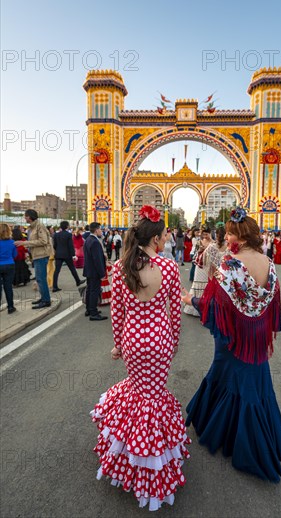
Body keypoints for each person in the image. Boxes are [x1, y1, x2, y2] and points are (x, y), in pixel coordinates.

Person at [90, 205, 190, 510]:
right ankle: (151, 469)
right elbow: (175, 313)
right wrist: (172, 343)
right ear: (157, 239)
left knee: (138, 393)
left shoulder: (121, 268)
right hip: (159, 340)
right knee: (153, 396)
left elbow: (116, 315)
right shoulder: (170, 268)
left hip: (133, 341)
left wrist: (119, 345)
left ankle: (128, 459)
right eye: (164, 235)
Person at [181, 207, 281, 482]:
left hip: (232, 335)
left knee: (223, 373)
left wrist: (189, 300)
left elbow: (214, 304)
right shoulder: (269, 263)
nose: (226, 237)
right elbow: (273, 300)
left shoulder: (230, 264)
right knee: (254, 379)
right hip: (258, 333)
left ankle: (228, 432)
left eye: (229, 233)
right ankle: (259, 436)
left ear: (239, 236)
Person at [14, 210, 54, 309]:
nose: (24, 218)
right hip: (36, 255)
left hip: (41, 255)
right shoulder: (32, 227)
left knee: (41, 279)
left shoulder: (39, 226)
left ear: (30, 217)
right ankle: (43, 297)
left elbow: (43, 241)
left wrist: (25, 243)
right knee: (39, 279)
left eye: (25, 216)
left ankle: (46, 300)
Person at [183, 227, 213, 317]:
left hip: (208, 266)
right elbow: (198, 252)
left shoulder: (213, 242)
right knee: (197, 285)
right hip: (200, 266)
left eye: (207, 233)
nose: (205, 235)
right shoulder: (199, 241)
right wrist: (203, 247)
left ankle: (204, 308)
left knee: (205, 286)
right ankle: (194, 307)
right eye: (203, 233)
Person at [83, 222, 107, 320]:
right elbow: (97, 259)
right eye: (100, 229)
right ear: (96, 230)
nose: (101, 231)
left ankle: (89, 309)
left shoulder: (88, 239)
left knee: (89, 290)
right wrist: (102, 273)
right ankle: (93, 312)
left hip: (89, 269)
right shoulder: (95, 242)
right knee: (94, 291)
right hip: (94, 271)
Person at [52, 221, 85, 292]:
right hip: (67, 255)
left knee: (57, 271)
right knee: (72, 268)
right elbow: (70, 246)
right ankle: (78, 281)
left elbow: (54, 245)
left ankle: (54, 286)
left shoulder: (56, 235)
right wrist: (73, 255)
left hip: (58, 254)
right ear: (67, 226)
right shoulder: (69, 235)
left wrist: (57, 251)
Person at [0, 224, 17, 313]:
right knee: (8, 287)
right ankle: (10, 307)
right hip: (10, 264)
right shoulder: (12, 242)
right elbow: (15, 255)